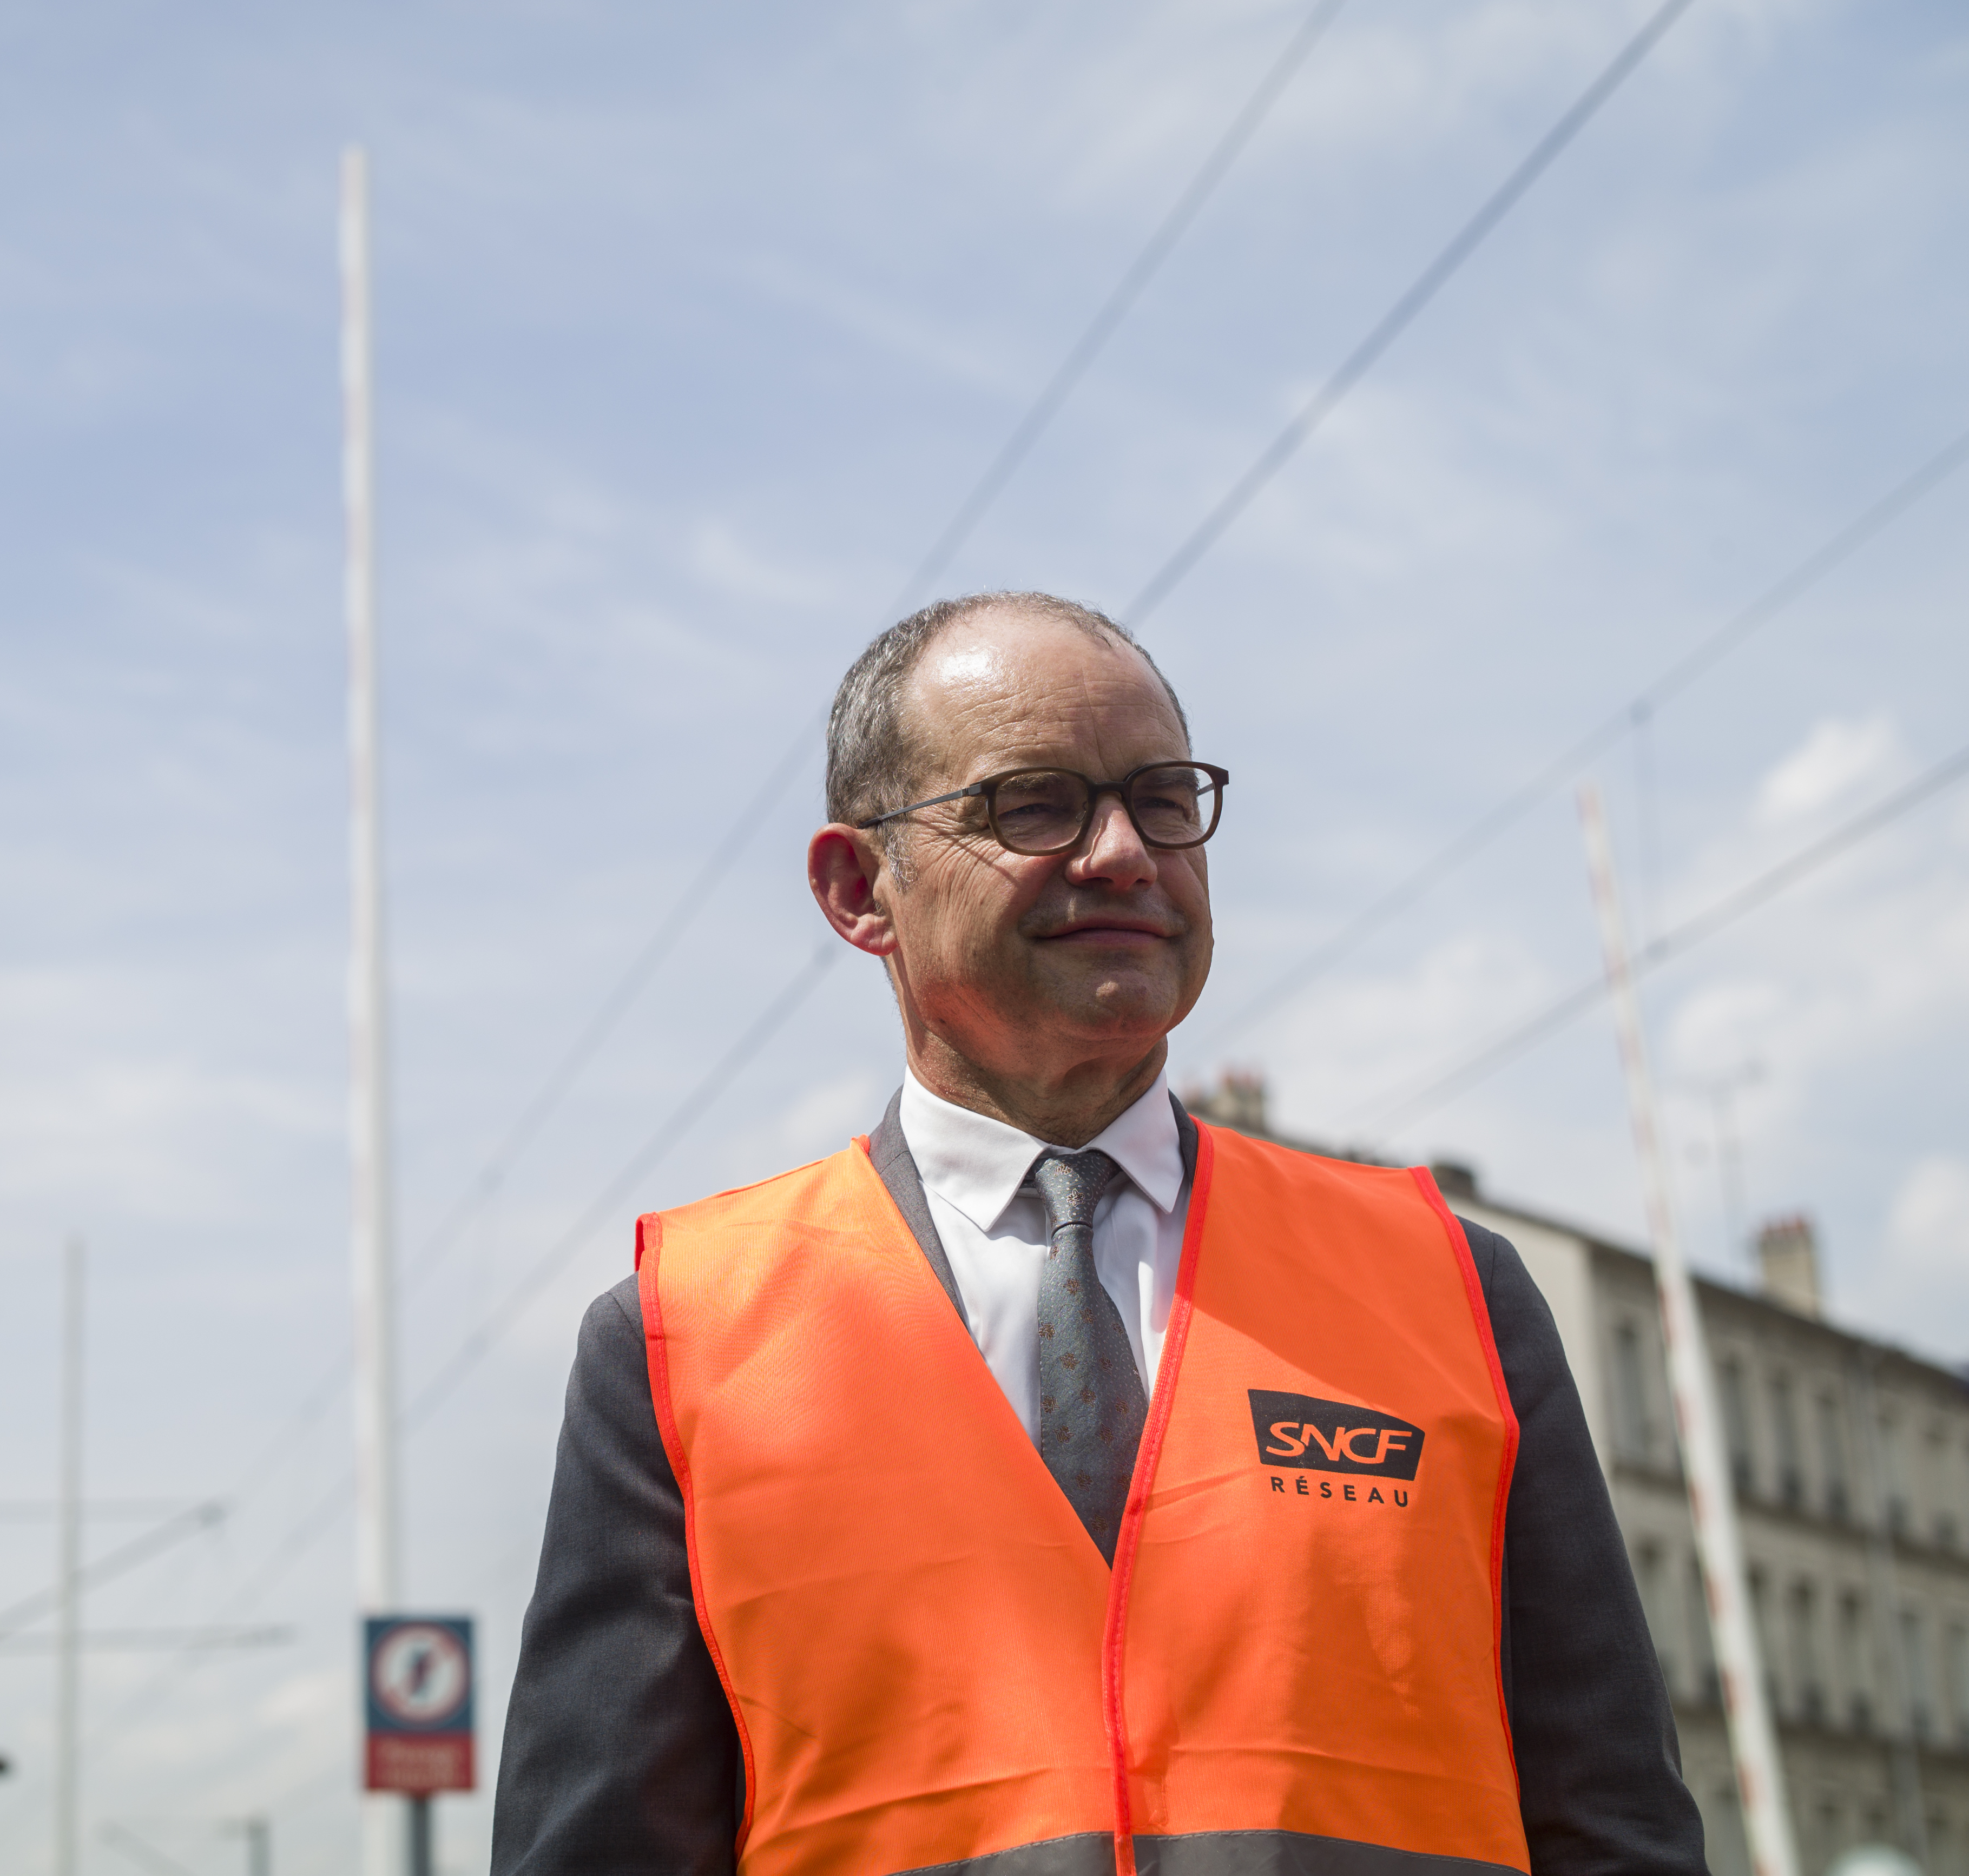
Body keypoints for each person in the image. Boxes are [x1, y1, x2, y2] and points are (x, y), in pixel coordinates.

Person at [491, 592, 1704, 1876]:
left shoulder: (1449, 1288)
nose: (1123, 851)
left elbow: (1611, 1825)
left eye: (1163, 800)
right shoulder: (684, 1341)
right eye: (1034, 805)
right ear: (859, 889)